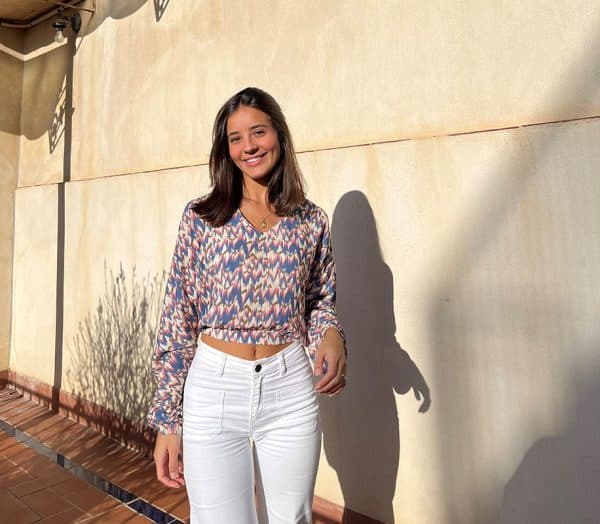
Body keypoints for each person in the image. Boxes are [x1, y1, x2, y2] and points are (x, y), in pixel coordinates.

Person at [146, 87, 347, 524]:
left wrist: (331, 335)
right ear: (225, 148)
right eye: (235, 138)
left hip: (290, 387)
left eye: (258, 132)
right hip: (216, 389)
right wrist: (168, 421)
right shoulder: (203, 218)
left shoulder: (310, 220)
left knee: (292, 519)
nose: (249, 146)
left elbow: (319, 300)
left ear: (279, 134)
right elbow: (177, 320)